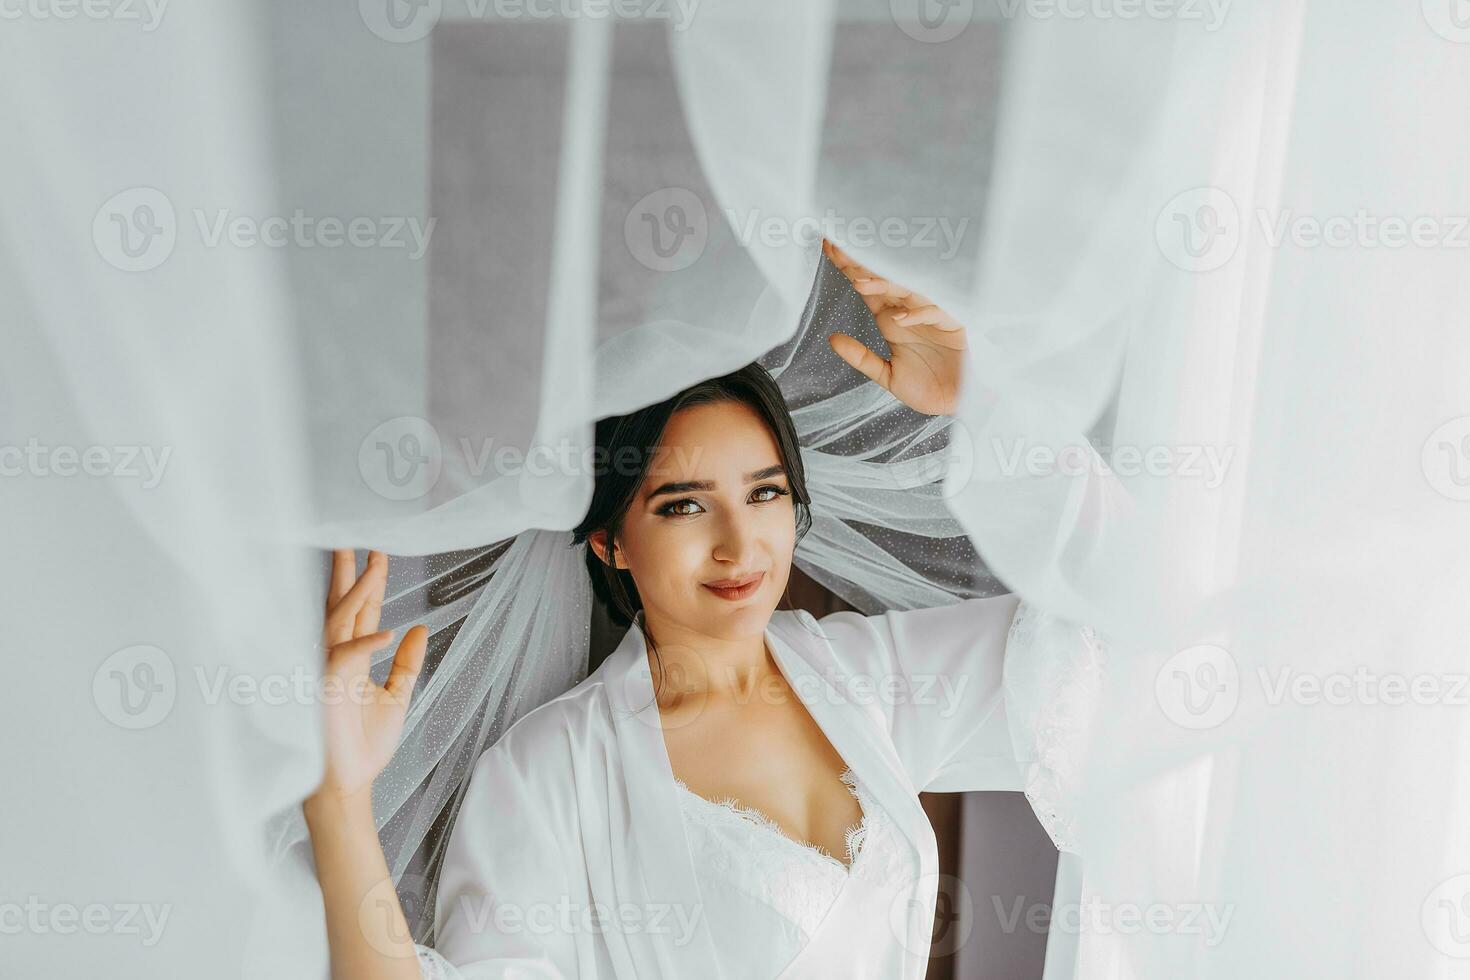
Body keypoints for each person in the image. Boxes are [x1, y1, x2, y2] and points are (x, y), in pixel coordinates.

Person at [304, 241, 1026, 979]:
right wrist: (339, 798)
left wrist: (991, 407)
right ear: (612, 539)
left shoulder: (870, 677)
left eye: (765, 492)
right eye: (684, 506)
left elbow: (1127, 650)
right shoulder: (551, 771)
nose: (738, 544)